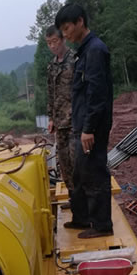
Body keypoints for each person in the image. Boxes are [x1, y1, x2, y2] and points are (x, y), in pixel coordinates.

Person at [55, 3, 114, 239]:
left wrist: (88, 128)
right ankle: (82, 218)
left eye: (67, 28)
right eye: (62, 30)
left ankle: (101, 225)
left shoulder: (95, 51)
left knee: (94, 172)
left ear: (80, 22)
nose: (65, 34)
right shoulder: (84, 51)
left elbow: (96, 95)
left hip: (92, 127)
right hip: (82, 125)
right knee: (79, 172)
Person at [45, 25, 75, 209]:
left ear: (63, 39)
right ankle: (74, 200)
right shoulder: (51, 66)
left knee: (77, 162)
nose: (52, 46)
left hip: (75, 121)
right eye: (49, 43)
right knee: (64, 165)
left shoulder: (75, 59)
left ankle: (86, 202)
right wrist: (51, 118)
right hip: (59, 123)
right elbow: (50, 93)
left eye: (55, 41)